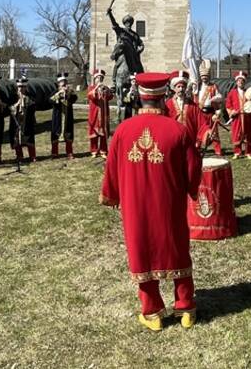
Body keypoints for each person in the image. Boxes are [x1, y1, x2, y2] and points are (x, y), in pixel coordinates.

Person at [100, 72, 203, 331]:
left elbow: (111, 167)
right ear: (163, 97)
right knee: (176, 247)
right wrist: (191, 190)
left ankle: (152, 312)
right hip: (169, 205)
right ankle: (185, 306)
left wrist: (112, 193)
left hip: (135, 206)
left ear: (141, 97)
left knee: (141, 250)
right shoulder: (178, 130)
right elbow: (193, 169)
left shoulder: (124, 130)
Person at [166, 72, 207, 146]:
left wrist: (206, 132)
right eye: (178, 87)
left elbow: (201, 122)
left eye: (183, 87)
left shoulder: (193, 105)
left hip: (190, 139)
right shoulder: (168, 105)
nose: (181, 89)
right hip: (173, 139)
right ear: (174, 88)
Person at [225, 71, 251, 158]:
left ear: (244, 82)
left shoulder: (249, 92)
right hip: (237, 117)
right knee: (236, 134)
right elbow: (228, 104)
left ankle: (248, 152)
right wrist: (231, 112)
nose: (240, 82)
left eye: (242, 81)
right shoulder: (232, 92)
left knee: (248, 134)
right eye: (239, 81)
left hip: (247, 116)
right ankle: (237, 152)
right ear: (236, 82)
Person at [50, 74, 77, 159]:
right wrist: (58, 94)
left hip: (67, 116)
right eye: (62, 82)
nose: (64, 84)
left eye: (65, 82)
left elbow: (74, 99)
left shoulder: (70, 92)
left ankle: (69, 152)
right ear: (58, 84)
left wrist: (68, 93)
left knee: (68, 133)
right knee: (56, 132)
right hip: (58, 116)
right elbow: (50, 100)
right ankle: (54, 152)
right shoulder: (55, 91)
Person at [87, 69, 113, 158]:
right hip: (94, 113)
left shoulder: (105, 88)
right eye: (98, 77)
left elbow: (110, 97)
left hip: (103, 113)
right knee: (93, 131)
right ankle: (93, 150)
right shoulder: (91, 87)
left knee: (103, 132)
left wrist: (107, 90)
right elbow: (90, 96)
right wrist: (96, 88)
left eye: (101, 77)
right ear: (95, 79)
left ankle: (103, 150)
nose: (99, 79)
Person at [10, 76, 36, 162]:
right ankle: (19, 155)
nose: (21, 89)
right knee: (17, 137)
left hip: (27, 119)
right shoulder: (13, 97)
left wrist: (26, 100)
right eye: (19, 87)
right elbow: (10, 108)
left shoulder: (30, 96)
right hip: (17, 120)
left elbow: (34, 106)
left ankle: (32, 155)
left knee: (29, 137)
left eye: (23, 87)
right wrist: (17, 103)